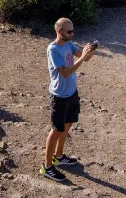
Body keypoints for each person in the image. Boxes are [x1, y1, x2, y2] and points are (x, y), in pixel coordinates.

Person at [40, 17, 96, 182]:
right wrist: (82, 58)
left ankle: (59, 156)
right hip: (59, 96)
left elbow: (85, 58)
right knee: (56, 130)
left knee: (68, 123)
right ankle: (47, 167)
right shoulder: (53, 49)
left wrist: (89, 51)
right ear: (59, 31)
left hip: (71, 92)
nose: (72, 34)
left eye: (73, 31)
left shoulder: (69, 44)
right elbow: (64, 72)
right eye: (69, 31)